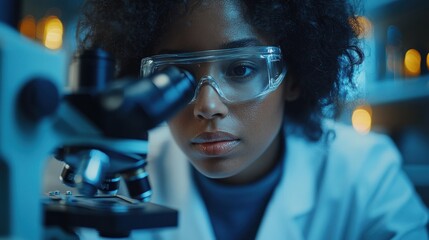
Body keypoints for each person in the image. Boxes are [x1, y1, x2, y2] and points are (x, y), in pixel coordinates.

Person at [69, 0, 429, 239]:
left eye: (240, 69)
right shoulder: (122, 170)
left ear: (294, 78)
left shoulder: (365, 173)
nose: (208, 105)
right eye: (176, 77)